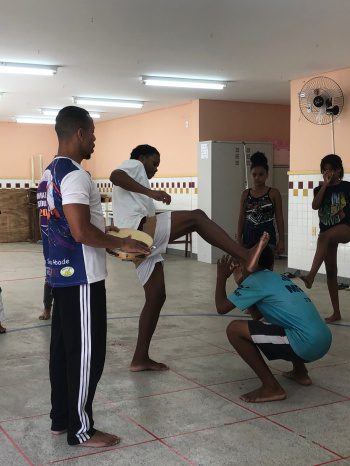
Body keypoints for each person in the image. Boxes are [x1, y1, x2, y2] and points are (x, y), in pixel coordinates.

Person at [37, 106, 150, 448]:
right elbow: (80, 231)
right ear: (81, 134)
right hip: (82, 280)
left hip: (60, 275)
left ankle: (61, 420)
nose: (95, 142)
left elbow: (67, 224)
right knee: (86, 354)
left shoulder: (48, 174)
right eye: (94, 135)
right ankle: (81, 429)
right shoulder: (74, 175)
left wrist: (107, 230)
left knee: (62, 352)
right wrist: (120, 242)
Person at [110, 144, 266, 372]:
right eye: (154, 164)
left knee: (156, 297)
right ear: (142, 158)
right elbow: (115, 176)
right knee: (197, 218)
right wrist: (150, 192)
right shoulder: (134, 165)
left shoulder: (138, 179)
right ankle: (245, 255)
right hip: (138, 231)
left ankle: (139, 358)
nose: (155, 170)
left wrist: (149, 195)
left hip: (135, 241)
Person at [215, 233, 332, 403]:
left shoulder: (255, 282)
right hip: (323, 339)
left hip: (306, 344)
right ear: (270, 264)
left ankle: (271, 387)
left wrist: (221, 277)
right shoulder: (279, 278)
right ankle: (300, 372)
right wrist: (242, 284)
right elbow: (258, 318)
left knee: (234, 329)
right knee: (280, 323)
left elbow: (221, 307)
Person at [300, 154, 350, 323]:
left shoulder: (347, 187)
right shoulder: (319, 189)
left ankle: (311, 276)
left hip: (345, 228)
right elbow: (315, 206)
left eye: (330, 169)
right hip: (327, 234)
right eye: (324, 169)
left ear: (338, 170)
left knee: (324, 236)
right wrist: (324, 186)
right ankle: (336, 312)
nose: (327, 172)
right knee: (331, 272)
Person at [237, 151, 285, 255]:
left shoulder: (273, 193)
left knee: (266, 269)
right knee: (249, 268)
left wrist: (281, 241)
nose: (257, 177)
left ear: (267, 175)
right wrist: (238, 240)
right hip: (248, 238)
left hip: (267, 237)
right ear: (251, 175)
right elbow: (241, 217)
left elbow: (279, 218)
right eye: (254, 174)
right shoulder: (245, 194)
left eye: (261, 174)